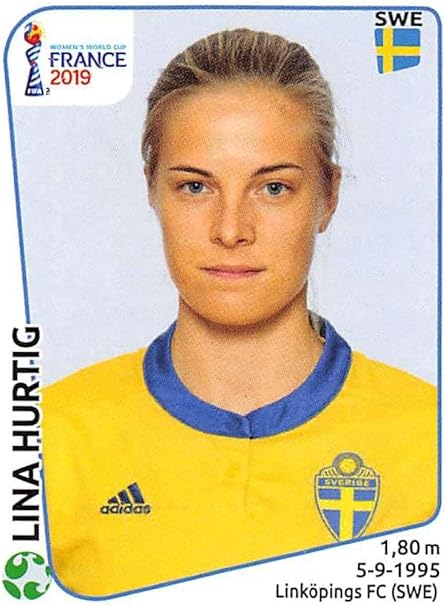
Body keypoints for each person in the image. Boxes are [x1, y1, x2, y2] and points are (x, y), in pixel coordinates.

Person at [41, 28, 437, 599]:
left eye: (273, 188)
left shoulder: (429, 439)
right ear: (152, 190)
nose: (230, 230)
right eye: (195, 187)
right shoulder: (44, 440)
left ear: (328, 196)